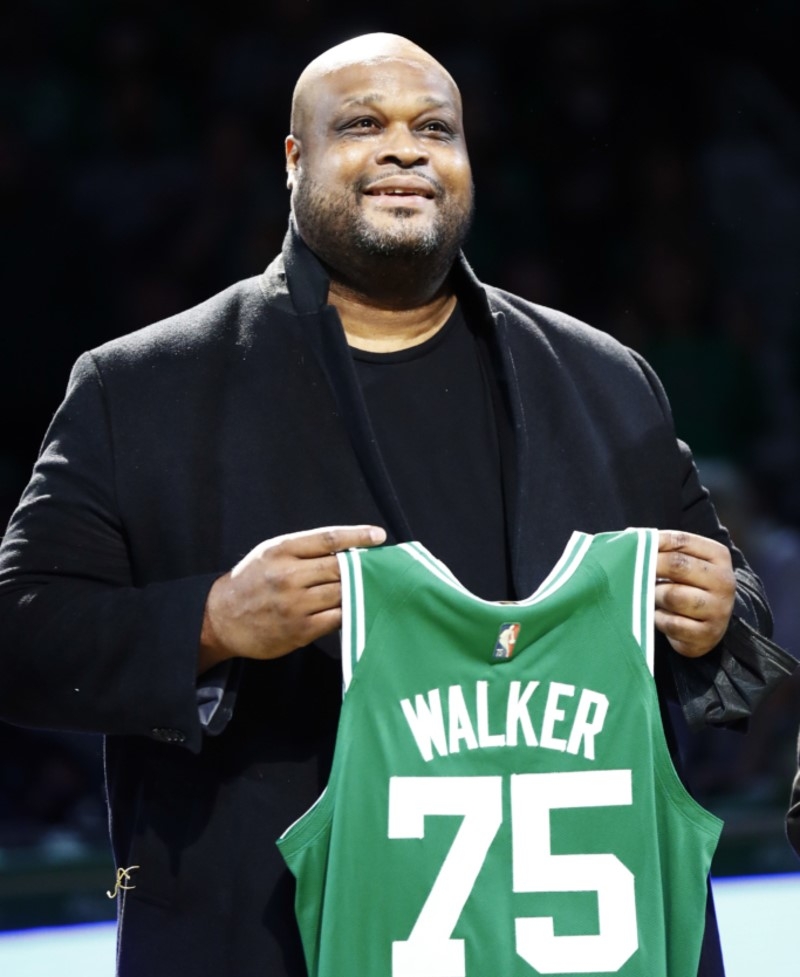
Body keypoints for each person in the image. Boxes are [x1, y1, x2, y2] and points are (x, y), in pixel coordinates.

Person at [0, 32, 793, 977]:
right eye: (363, 125)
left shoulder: (605, 380)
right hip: (264, 942)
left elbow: (738, 619)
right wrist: (208, 622)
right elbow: (22, 632)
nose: (406, 149)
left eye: (435, 128)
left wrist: (715, 617)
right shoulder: (141, 390)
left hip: (586, 943)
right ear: (294, 161)